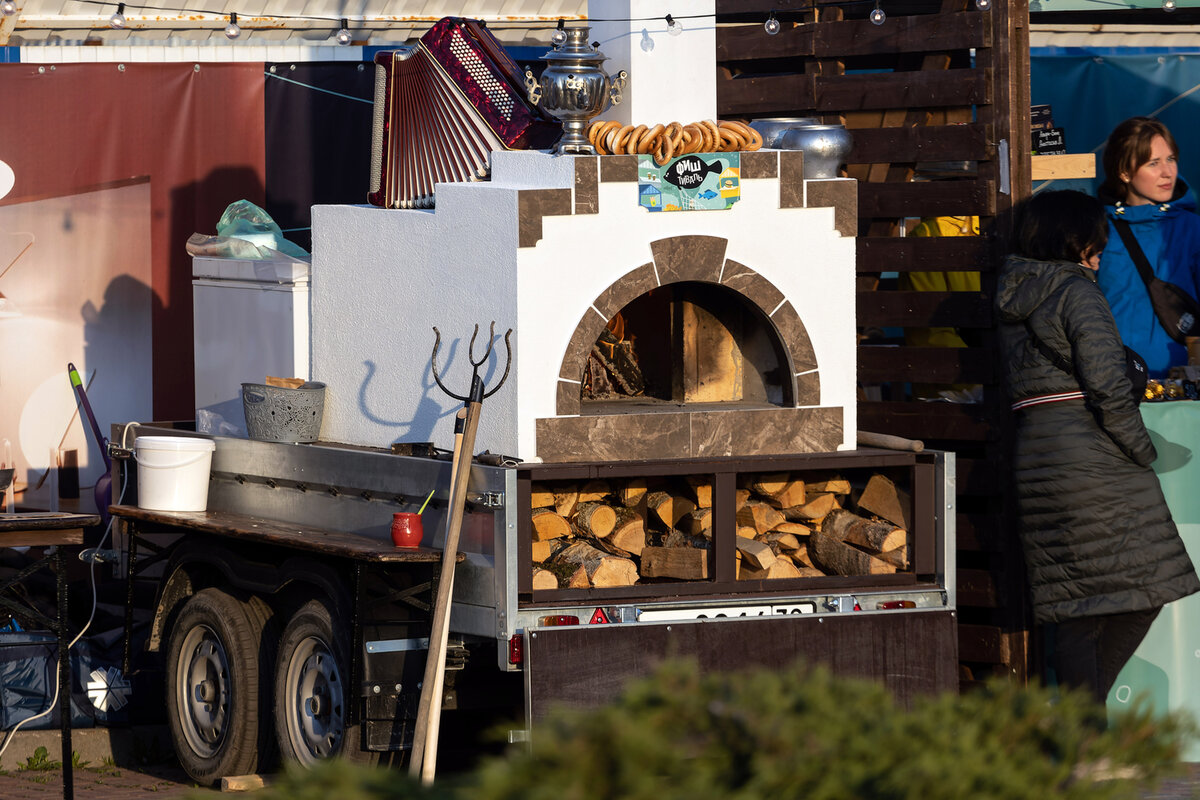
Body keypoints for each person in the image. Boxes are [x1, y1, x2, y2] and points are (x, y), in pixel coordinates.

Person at [995, 189, 1199, 704]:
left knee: (1078, 605)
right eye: (1097, 241)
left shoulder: (1011, 294)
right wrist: (1142, 452)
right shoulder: (1078, 293)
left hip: (1039, 454)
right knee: (1142, 593)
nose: (1101, 251)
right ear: (1076, 240)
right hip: (1092, 457)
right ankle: (1079, 727)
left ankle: (1078, 734)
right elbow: (1108, 388)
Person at [1098, 116, 1200, 377]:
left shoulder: (1193, 229)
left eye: (1171, 159)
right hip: (1113, 385)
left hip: (1180, 386)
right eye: (1153, 163)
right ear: (1124, 172)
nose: (1168, 172)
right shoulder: (1096, 231)